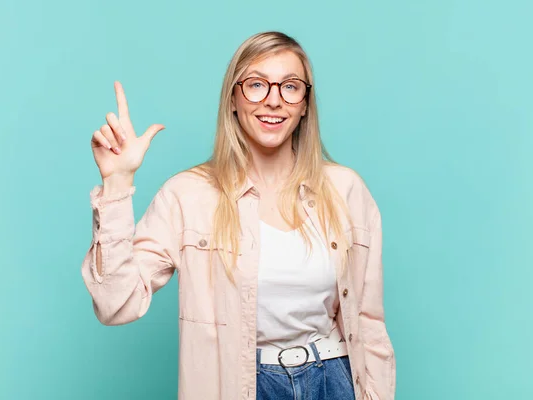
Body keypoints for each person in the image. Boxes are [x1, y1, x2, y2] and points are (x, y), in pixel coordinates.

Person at [82, 31, 395, 400]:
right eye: (257, 85)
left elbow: (370, 323)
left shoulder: (346, 190)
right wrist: (117, 186)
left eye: (290, 87)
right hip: (238, 385)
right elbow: (116, 305)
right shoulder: (188, 194)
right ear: (233, 98)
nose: (274, 101)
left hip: (334, 380)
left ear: (305, 103)